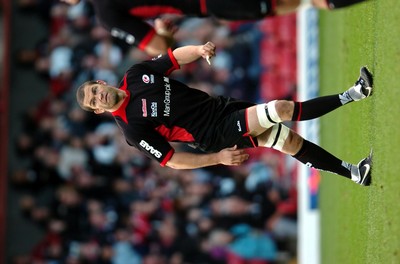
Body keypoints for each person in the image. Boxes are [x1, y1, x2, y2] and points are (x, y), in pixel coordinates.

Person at [76, 41, 373, 186]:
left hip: (220, 107)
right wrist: (216, 158)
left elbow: (173, 57)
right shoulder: (131, 130)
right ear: (98, 110)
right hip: (213, 134)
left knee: (290, 143)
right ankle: (356, 92)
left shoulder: (136, 74)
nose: (98, 97)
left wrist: (200, 49)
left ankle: (355, 173)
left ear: (101, 83)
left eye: (94, 90)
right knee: (280, 108)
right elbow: (172, 160)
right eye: (94, 102)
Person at [60, 0, 369, 56]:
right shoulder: (106, 11)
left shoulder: (106, 13)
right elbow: (159, 45)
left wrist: (163, 31)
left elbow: (157, 46)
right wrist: (163, 32)